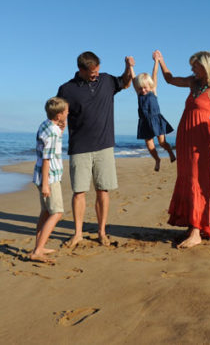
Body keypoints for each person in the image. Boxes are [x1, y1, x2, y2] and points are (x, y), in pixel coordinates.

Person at [154, 49, 210, 248]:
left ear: (206, 66)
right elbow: (170, 79)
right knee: (186, 179)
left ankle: (197, 231)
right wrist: (161, 61)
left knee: (198, 181)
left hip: (200, 139)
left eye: (195, 66)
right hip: (184, 136)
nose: (192, 69)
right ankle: (192, 225)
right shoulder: (192, 82)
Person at [57, 51, 135, 248]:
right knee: (79, 192)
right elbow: (58, 113)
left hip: (104, 146)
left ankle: (101, 232)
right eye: (92, 72)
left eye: (97, 71)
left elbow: (126, 83)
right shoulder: (66, 89)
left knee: (103, 190)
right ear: (81, 70)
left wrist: (128, 67)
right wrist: (58, 126)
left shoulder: (107, 80)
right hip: (79, 148)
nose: (96, 75)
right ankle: (78, 234)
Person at [30, 97, 69, 263]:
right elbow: (47, 159)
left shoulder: (46, 125)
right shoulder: (53, 132)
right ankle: (38, 251)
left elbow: (51, 142)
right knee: (57, 212)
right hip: (49, 177)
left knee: (46, 211)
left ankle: (39, 245)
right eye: (66, 112)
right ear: (59, 115)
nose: (68, 113)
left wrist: (62, 129)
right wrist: (46, 184)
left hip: (41, 175)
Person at [131, 54, 176, 171]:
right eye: (140, 88)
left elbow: (154, 74)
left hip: (156, 119)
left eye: (145, 87)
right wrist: (130, 66)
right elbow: (133, 78)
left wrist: (156, 61)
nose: (143, 90)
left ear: (150, 86)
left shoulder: (153, 90)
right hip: (145, 122)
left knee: (162, 142)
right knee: (150, 146)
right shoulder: (139, 94)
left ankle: (170, 152)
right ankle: (157, 159)